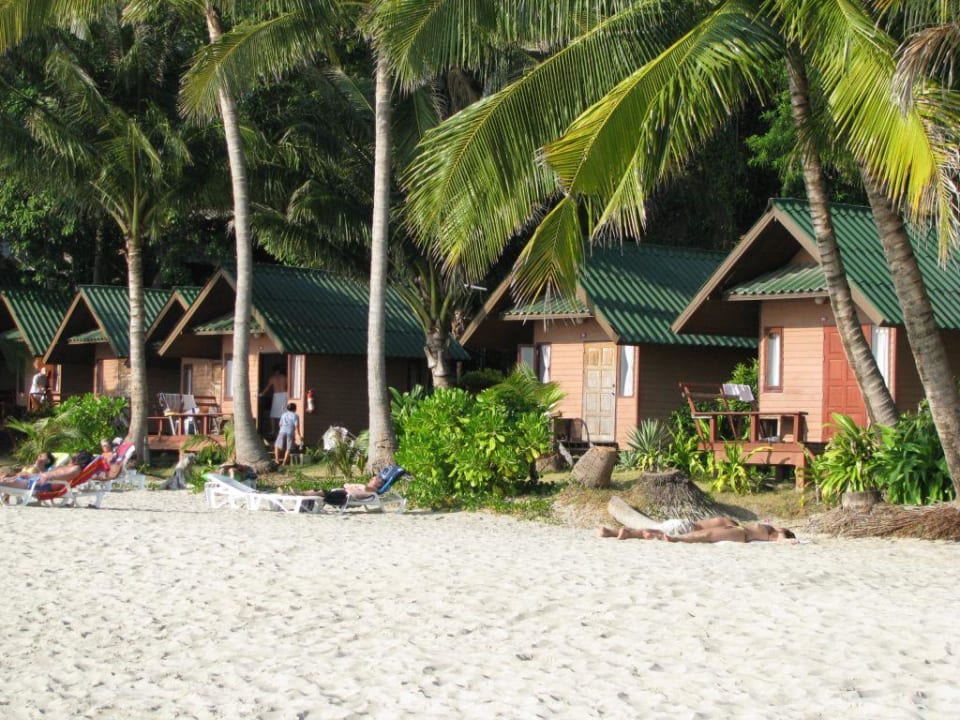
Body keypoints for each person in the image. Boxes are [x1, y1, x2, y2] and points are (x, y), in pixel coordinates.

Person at [597, 516, 797, 543]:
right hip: (685, 526)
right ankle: (621, 532)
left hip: (682, 522)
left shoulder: (772, 533)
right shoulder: (765, 530)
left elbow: (783, 537)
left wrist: (788, 537)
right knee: (703, 536)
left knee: (654, 530)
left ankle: (614, 532)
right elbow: (707, 534)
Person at [259, 365, 288, 436]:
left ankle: (272, 431)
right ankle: (284, 430)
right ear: (279, 370)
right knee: (284, 413)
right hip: (285, 394)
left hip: (277, 395)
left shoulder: (272, 378)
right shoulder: (284, 377)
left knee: (272, 415)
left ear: (274, 371)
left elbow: (267, 388)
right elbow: (289, 386)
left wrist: (261, 394)